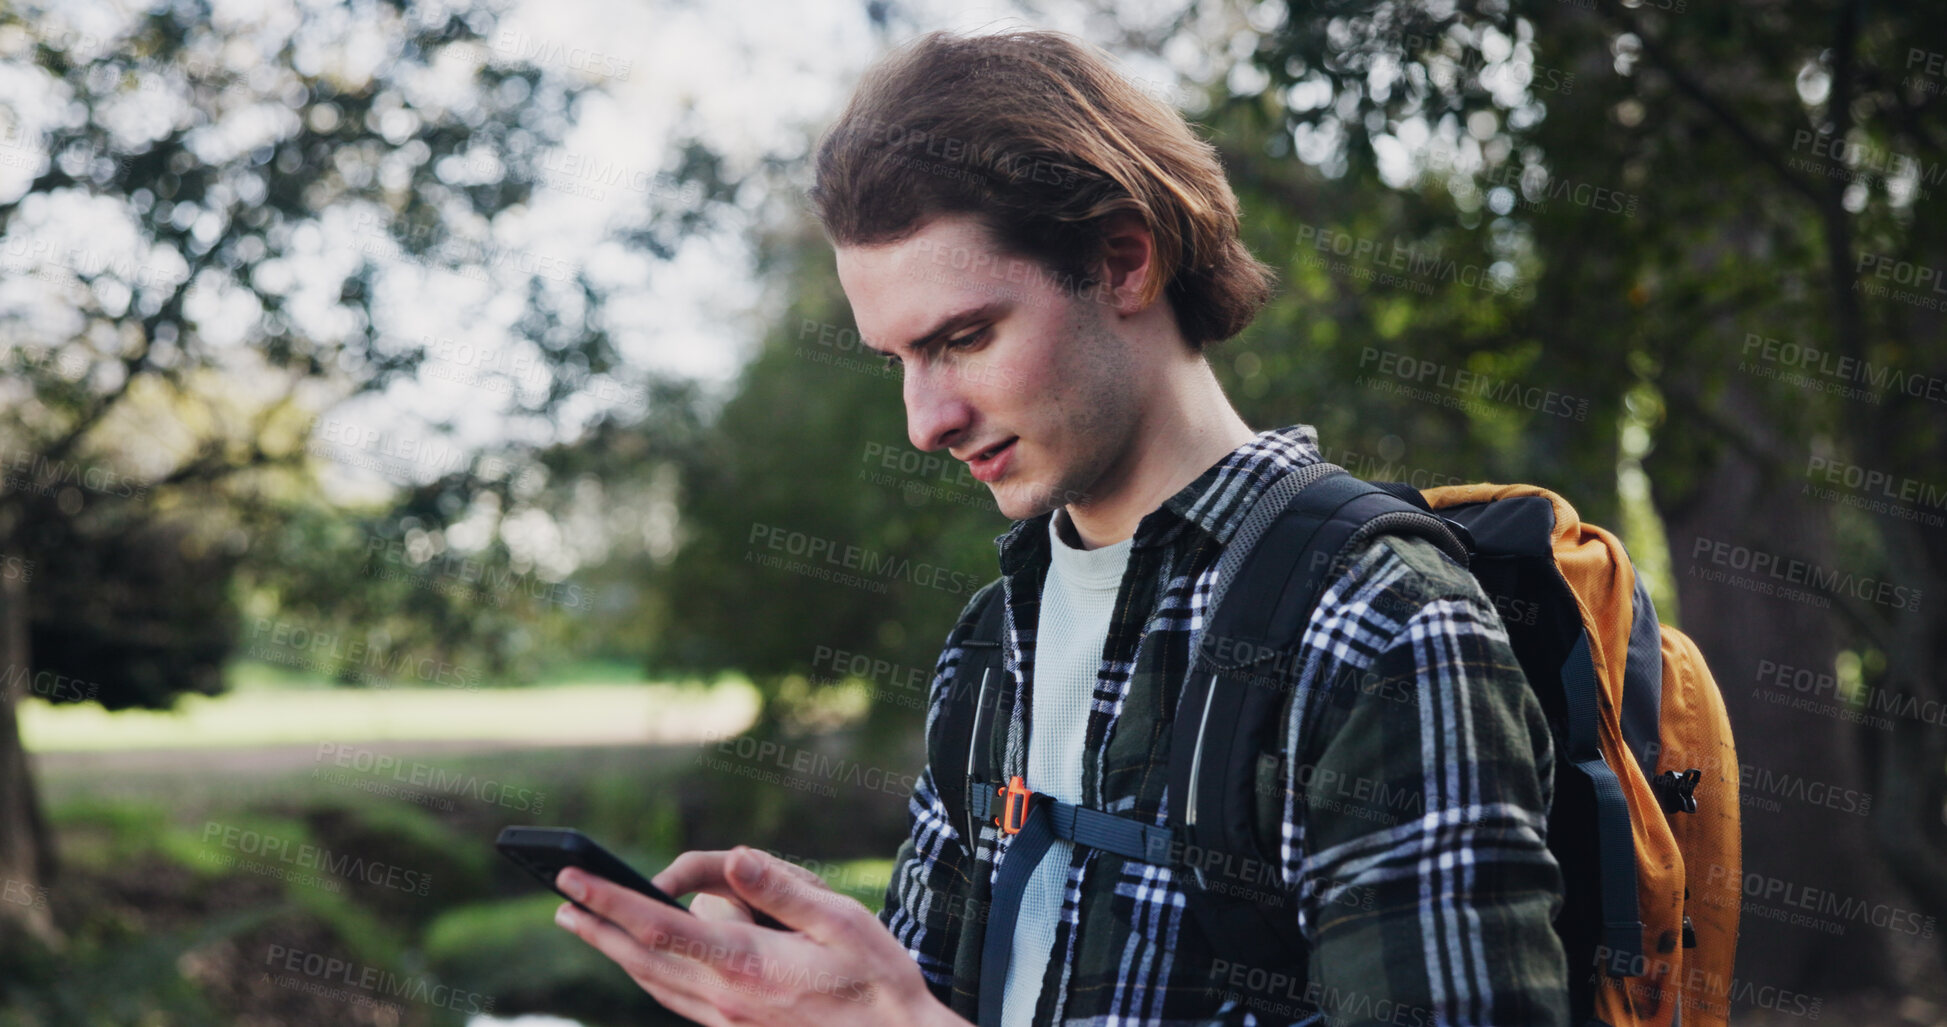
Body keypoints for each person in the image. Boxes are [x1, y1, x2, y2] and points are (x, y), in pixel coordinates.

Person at [551, 26, 1570, 1027]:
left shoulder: (1377, 624)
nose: (925, 422)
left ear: (1124, 261)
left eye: (964, 337)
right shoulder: (993, 643)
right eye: (898, 359)